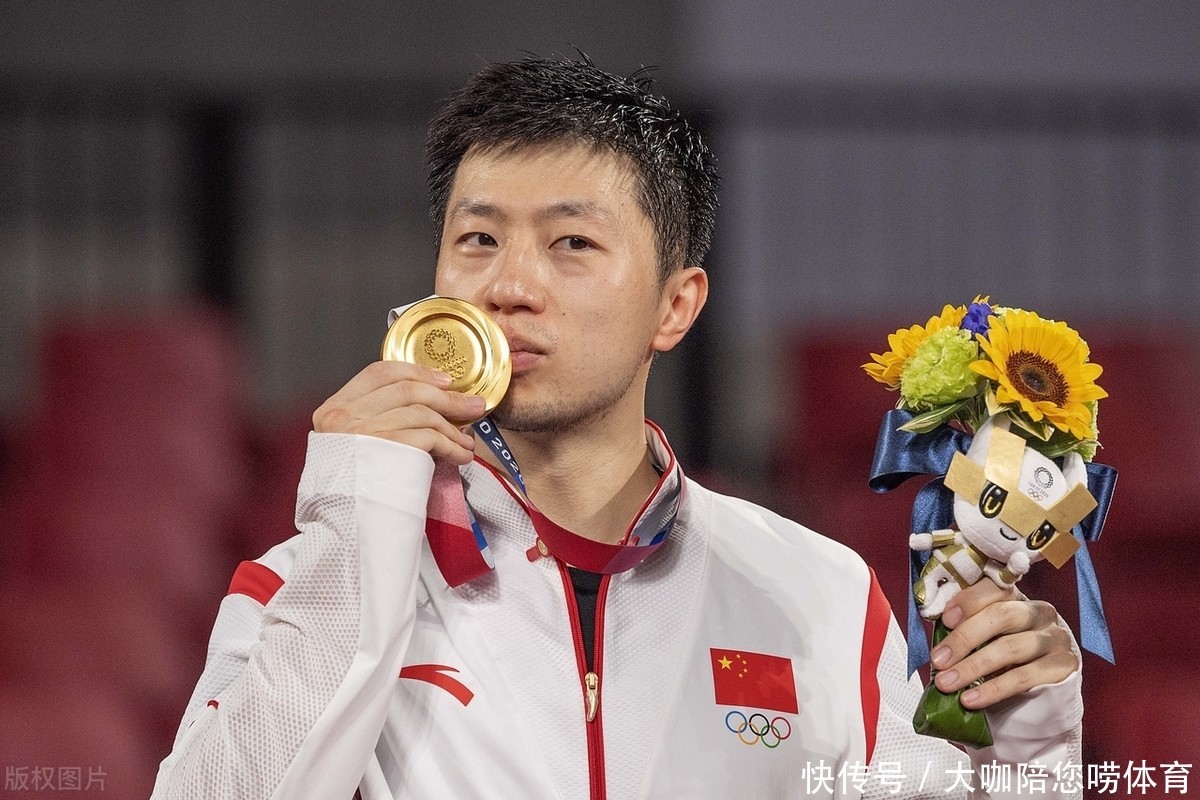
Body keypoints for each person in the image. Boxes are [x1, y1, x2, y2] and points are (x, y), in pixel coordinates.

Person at [152, 56, 1083, 800]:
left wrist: (1024, 737)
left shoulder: (823, 596)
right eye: (478, 239)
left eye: (572, 243)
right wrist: (357, 527)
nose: (509, 286)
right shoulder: (305, 582)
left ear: (675, 307)